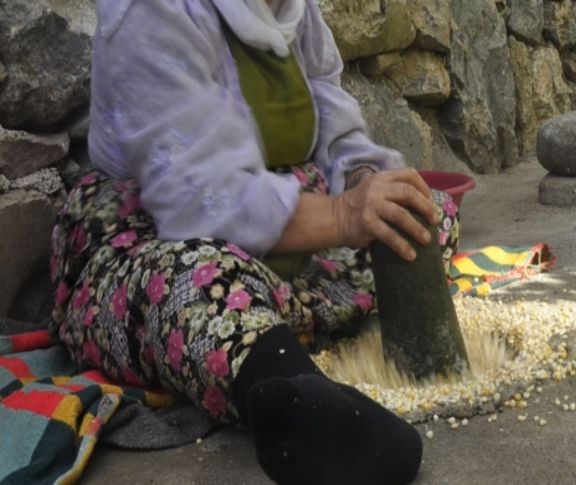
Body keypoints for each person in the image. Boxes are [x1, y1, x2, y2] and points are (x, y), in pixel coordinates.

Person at [50, 1, 461, 484]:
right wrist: (345, 214)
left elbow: (332, 117)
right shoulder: (150, 12)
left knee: (424, 214)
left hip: (282, 213)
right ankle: (288, 394)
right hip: (158, 233)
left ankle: (270, 317)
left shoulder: (291, 9)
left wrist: (364, 180)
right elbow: (196, 195)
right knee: (196, 288)